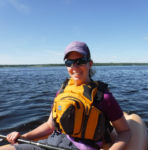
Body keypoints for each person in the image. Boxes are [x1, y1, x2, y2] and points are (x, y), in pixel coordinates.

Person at [0, 41, 131, 150]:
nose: (75, 67)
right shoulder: (62, 92)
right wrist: (24, 137)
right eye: (69, 62)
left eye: (81, 61)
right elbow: (49, 126)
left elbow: (125, 131)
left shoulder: (103, 97)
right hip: (51, 143)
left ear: (90, 64)